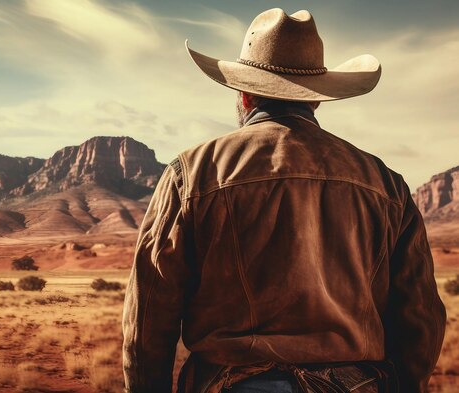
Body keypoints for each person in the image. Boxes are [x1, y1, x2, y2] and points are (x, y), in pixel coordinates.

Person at [122, 8, 446, 393]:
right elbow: (420, 319)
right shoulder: (385, 184)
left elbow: (149, 316)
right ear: (317, 100)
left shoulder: (192, 173)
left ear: (243, 93)